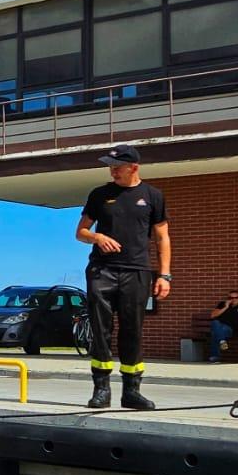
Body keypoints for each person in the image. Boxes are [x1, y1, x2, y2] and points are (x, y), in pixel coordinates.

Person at [76, 144, 171, 410]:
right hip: (102, 270)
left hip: (137, 272)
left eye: (118, 167)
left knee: (132, 331)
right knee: (100, 329)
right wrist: (97, 236)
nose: (113, 171)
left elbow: (163, 237)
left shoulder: (153, 196)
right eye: (110, 166)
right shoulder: (99, 194)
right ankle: (101, 390)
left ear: (134, 168)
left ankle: (132, 391)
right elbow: (80, 232)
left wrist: (164, 275)